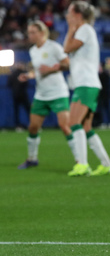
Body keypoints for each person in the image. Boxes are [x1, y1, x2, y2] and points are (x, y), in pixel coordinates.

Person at [63, 1, 110, 177]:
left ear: (78, 15)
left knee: (73, 123)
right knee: (86, 127)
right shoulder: (85, 30)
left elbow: (67, 48)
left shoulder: (84, 29)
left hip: (86, 83)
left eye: (70, 13)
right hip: (88, 83)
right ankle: (107, 165)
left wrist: (71, 28)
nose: (67, 16)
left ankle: (83, 164)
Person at [17, 21, 77, 169]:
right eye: (29, 32)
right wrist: (29, 75)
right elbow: (38, 71)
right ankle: (32, 159)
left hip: (58, 93)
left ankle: (79, 160)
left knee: (65, 126)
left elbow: (67, 63)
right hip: (41, 94)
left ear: (42, 33)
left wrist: (51, 69)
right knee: (33, 128)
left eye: (33, 32)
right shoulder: (33, 51)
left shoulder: (54, 47)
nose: (30, 35)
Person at [7, 62, 30, 130]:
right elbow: (26, 83)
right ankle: (32, 124)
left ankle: (18, 126)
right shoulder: (23, 73)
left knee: (18, 111)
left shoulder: (12, 74)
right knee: (27, 110)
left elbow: (9, 84)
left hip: (16, 95)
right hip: (22, 95)